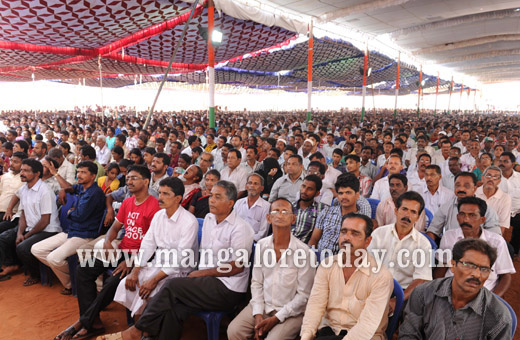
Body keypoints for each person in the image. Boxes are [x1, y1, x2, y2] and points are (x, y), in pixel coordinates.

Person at [101, 181, 254, 340]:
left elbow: (237, 267)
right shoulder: (209, 219)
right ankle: (148, 335)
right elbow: (150, 243)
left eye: (217, 197)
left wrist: (200, 273)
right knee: (174, 309)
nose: (211, 200)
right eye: (211, 196)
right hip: (206, 281)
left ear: (230, 203)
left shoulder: (240, 228)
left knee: (171, 285)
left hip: (227, 288)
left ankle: (137, 330)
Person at [53, 165, 160, 340]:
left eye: (134, 178)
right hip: (120, 252)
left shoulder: (154, 206)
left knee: (112, 282)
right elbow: (115, 227)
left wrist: (133, 260)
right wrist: (109, 241)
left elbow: (154, 244)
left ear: (146, 181)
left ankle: (83, 322)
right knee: (83, 268)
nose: (129, 181)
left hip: (139, 257)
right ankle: (93, 322)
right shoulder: (128, 202)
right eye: (128, 177)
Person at [228, 198, 316, 340]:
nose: (280, 215)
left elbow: (304, 296)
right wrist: (257, 314)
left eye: (285, 212)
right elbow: (256, 283)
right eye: (275, 211)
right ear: (268, 218)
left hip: (291, 312)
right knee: (234, 331)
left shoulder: (305, 253)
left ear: (293, 219)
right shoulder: (262, 246)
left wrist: (276, 318)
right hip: (263, 305)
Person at [113, 177, 199, 316]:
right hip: (157, 264)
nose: (160, 197)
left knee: (151, 292)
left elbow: (179, 259)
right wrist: (135, 271)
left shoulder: (189, 222)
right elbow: (148, 244)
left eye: (166, 194)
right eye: (160, 193)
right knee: (127, 283)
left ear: (178, 198)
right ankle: (139, 325)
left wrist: (154, 280)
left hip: (179, 271)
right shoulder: (159, 215)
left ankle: (145, 331)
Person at [301, 213, 394, 340]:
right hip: (329, 332)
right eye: (343, 232)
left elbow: (367, 325)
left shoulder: (381, 275)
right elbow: (315, 306)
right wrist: (306, 337)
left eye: (355, 233)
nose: (347, 238)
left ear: (367, 241)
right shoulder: (327, 265)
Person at [399, 238, 512, 339]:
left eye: (484, 269)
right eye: (469, 265)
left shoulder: (499, 317)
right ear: (452, 265)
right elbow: (409, 335)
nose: (477, 274)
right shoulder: (423, 294)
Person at [31, 161, 106, 295]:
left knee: (54, 258)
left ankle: (74, 282)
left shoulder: (94, 193)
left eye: (84, 172)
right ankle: (72, 281)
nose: (79, 175)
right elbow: (71, 187)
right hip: (71, 231)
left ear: (93, 176)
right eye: (78, 172)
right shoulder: (82, 188)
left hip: (84, 235)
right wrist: (63, 189)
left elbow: (80, 216)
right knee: (36, 249)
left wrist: (70, 212)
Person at [434, 197, 514, 296]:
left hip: (482, 295)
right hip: (451, 291)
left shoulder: (496, 242)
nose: (466, 219)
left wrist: (494, 299)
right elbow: (442, 267)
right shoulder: (449, 236)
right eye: (462, 214)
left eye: (472, 215)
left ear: (482, 220)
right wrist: (438, 290)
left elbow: (505, 275)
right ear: (457, 217)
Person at [0, 158, 61, 285]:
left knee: (23, 247)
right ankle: (12, 265)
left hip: (48, 230)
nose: (22, 173)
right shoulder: (24, 189)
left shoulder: (45, 191)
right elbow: (23, 214)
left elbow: (45, 221)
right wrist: (19, 233)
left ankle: (36, 275)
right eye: (22, 170)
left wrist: (26, 236)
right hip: (32, 228)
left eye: (26, 171)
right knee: (6, 238)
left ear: (37, 173)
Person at [368, 191, 432, 311]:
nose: (407, 215)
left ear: (418, 217)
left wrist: (397, 300)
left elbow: (421, 279)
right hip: (374, 288)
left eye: (413, 212)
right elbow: (367, 265)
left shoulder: (423, 244)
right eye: (404, 209)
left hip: (404, 294)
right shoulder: (379, 234)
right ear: (396, 211)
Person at [426, 172, 501, 241]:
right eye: (458, 185)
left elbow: (495, 236)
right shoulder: (445, 207)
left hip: (479, 248)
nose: (461, 189)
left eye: (466, 186)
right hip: (451, 247)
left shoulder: (486, 209)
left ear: (474, 188)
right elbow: (433, 230)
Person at [309, 173, 372, 255]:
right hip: (321, 259)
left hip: (348, 261)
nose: (344, 197)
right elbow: (314, 240)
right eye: (341, 193)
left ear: (357, 195)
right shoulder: (326, 212)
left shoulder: (361, 220)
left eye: (348, 193)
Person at [234, 173, 271, 241]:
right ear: (246, 186)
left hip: (254, 243)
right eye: (250, 183)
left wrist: (247, 240)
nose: (252, 186)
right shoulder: (238, 203)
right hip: (235, 240)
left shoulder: (266, 206)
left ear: (262, 188)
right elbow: (232, 224)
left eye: (256, 183)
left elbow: (263, 232)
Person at [475, 166, 512, 234]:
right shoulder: (474, 193)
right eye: (488, 176)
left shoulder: (505, 198)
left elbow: (502, 226)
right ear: (482, 178)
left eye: (495, 177)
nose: (491, 179)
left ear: (499, 181)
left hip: (494, 236)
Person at [292, 175, 325, 243]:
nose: (304, 191)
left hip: (305, 249)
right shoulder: (290, 207)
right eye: (303, 186)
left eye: (310, 189)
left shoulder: (322, 210)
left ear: (317, 193)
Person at [0, 151, 26, 233]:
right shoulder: (5, 176)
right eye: (11, 160)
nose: (11, 164)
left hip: (10, 214)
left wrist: (9, 210)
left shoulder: (25, 179)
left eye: (16, 162)